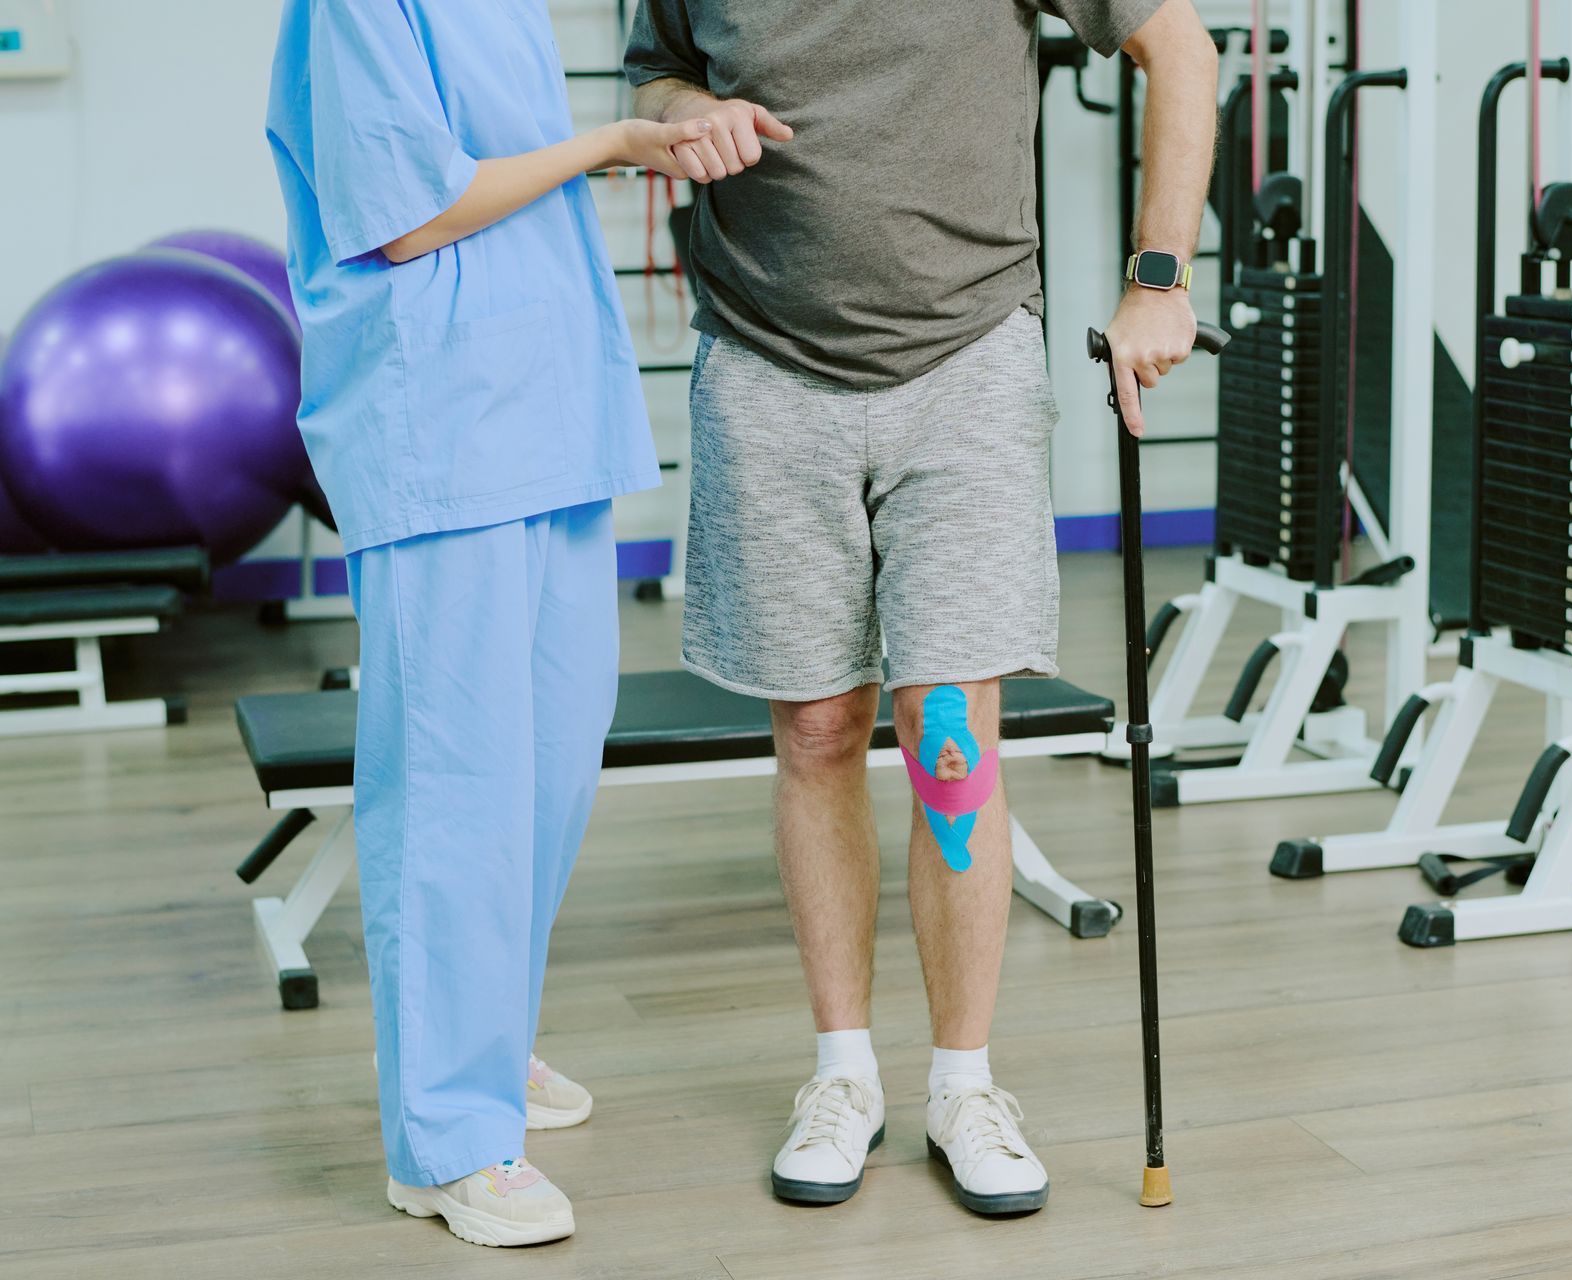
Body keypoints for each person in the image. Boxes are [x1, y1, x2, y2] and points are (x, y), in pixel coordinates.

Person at [625, 0, 1218, 1216]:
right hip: (763, 356)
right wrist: (693, 116)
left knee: (951, 729)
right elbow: (657, 79)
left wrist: (1159, 277)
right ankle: (845, 1072)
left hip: (967, 353)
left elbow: (1181, 45)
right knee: (820, 730)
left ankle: (964, 1081)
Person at [266, 0, 709, 1248]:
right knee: (457, 787)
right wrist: (614, 143)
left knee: (551, 766)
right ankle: (447, 1138)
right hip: (442, 417)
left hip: (549, 412)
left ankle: (489, 1043)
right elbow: (409, 215)